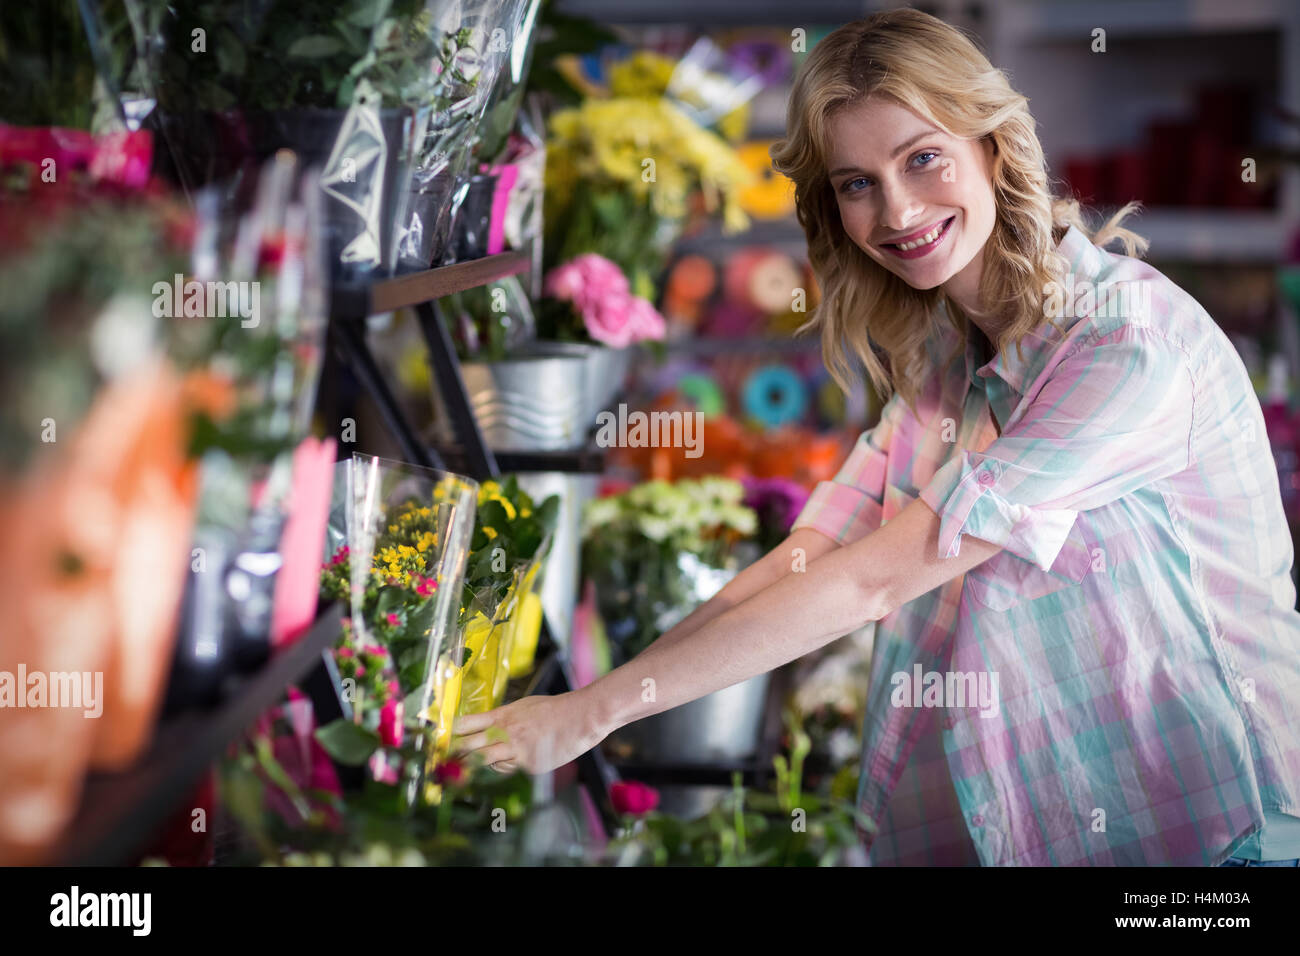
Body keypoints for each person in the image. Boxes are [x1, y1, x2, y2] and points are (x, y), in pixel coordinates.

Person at [454, 9, 1300, 866]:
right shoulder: (947, 356)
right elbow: (810, 557)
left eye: (923, 157)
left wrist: (591, 716)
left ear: (994, 148)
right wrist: (589, 703)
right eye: (856, 183)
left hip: (1226, 841)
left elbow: (873, 581)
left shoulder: (1125, 344)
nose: (897, 208)